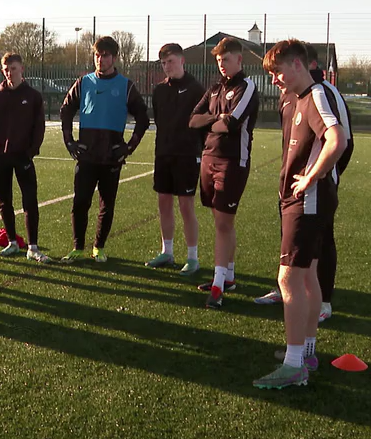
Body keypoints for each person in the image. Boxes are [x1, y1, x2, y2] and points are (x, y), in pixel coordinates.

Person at [254, 39, 347, 389]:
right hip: (304, 199)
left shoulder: (316, 95)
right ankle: (306, 352)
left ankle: (294, 366)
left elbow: (337, 139)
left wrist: (312, 176)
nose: (275, 79)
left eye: (278, 72)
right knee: (307, 278)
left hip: (307, 201)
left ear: (297, 65)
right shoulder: (299, 98)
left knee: (288, 280)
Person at [59, 36, 150, 262]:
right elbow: (66, 110)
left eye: (105, 55)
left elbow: (143, 118)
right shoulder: (84, 82)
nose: (100, 59)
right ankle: (78, 247)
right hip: (87, 156)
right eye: (97, 55)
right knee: (80, 203)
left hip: (111, 158)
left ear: (114, 58)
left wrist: (128, 147)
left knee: (106, 205)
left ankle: (98, 247)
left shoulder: (126, 86)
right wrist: (69, 141)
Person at [188, 37, 260, 309]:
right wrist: (213, 121)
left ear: (239, 60)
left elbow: (231, 124)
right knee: (221, 219)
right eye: (219, 61)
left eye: (226, 60)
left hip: (232, 160)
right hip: (208, 158)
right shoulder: (215, 88)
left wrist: (215, 122)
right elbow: (193, 120)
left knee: (223, 222)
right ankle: (228, 276)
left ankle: (218, 284)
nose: (222, 65)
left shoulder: (247, 86)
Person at [146, 43, 206, 275]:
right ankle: (167, 252)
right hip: (163, 154)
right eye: (163, 63)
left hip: (187, 155)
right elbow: (160, 120)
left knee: (186, 206)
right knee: (164, 203)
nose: (166, 66)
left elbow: (201, 124)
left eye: (170, 61)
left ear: (182, 60)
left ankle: (193, 257)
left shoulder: (195, 89)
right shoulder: (159, 90)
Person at [0, 52, 51, 263]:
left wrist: (30, 152)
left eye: (13, 68)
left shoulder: (32, 96)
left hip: (23, 158)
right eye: (6, 69)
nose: (9, 73)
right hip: (0, 158)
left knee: (30, 201)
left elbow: (39, 128)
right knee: (5, 202)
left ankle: (32, 246)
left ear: (22, 69)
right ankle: (12, 242)